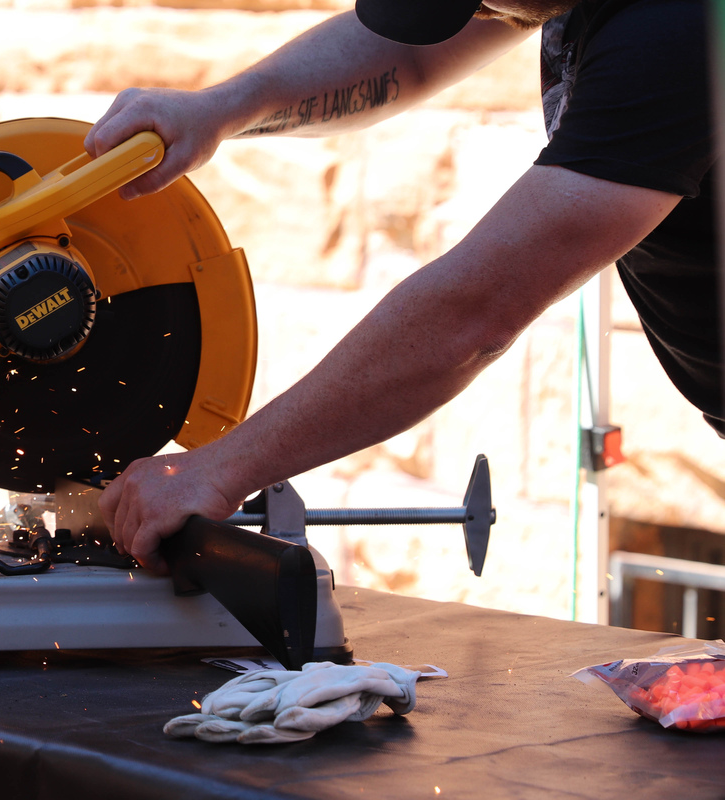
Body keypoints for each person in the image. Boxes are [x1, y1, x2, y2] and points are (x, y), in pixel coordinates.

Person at [89, 0, 720, 571]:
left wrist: (220, 470)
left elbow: (475, 313)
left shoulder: (680, 27)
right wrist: (220, 109)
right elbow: (409, 57)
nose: (480, 11)